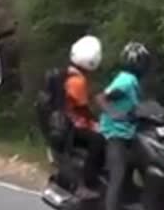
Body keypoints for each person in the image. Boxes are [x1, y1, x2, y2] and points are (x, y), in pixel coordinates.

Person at [96, 42, 151, 210]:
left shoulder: (130, 80)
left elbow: (135, 107)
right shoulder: (126, 80)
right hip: (115, 134)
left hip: (128, 133)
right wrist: (115, 115)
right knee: (117, 177)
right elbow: (101, 98)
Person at [65, 35, 106, 198]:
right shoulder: (78, 80)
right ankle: (88, 182)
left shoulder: (69, 73)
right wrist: (96, 122)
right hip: (72, 125)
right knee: (99, 140)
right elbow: (82, 109)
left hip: (67, 123)